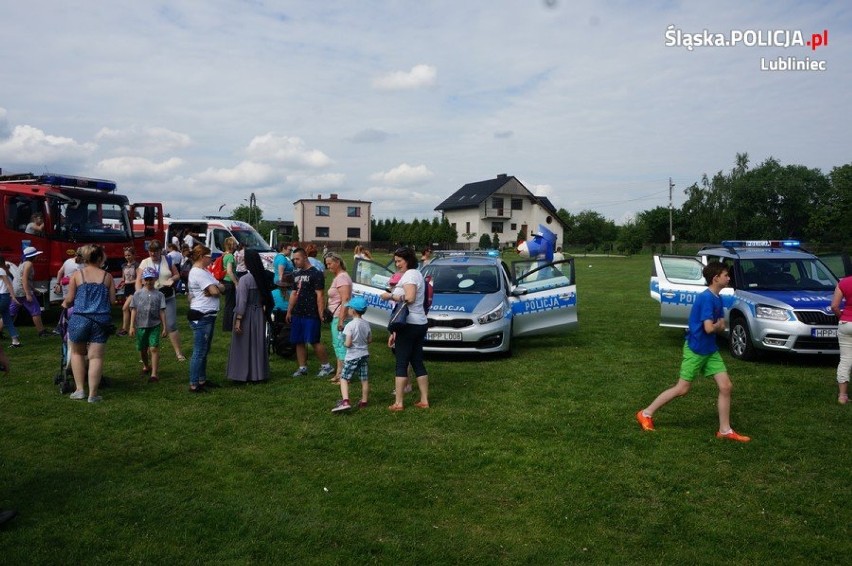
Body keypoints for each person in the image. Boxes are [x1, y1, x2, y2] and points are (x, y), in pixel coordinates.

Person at [636, 261, 750, 442]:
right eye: (726, 275)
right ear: (716, 278)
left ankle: (725, 430)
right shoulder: (706, 298)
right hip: (696, 349)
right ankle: (645, 413)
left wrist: (718, 325)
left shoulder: (717, 297)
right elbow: (709, 328)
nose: (729, 278)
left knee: (726, 386)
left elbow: (719, 323)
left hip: (710, 350)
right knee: (682, 389)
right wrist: (718, 326)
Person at [62, 244, 116, 403]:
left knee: (77, 354)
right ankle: (93, 394)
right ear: (100, 258)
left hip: (80, 319)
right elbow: (112, 300)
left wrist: (65, 303)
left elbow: (70, 299)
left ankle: (79, 390)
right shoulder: (107, 277)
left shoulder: (77, 276)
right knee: (96, 357)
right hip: (100, 320)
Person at [380, 247, 430, 411]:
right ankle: (424, 400)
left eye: (399, 261)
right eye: (395, 261)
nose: (397, 264)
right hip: (420, 323)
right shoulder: (417, 274)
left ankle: (399, 402)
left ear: (407, 260)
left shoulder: (409, 275)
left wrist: (390, 296)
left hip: (409, 324)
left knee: (401, 363)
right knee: (417, 362)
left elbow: (409, 297)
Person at [226, 250, 273, 383]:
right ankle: (258, 373)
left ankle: (241, 374)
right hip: (259, 314)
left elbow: (242, 301)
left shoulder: (245, 280)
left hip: (246, 314)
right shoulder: (263, 277)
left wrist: (238, 319)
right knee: (257, 344)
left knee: (243, 345)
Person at [286, 247, 334, 377]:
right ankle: (302, 368)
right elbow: (294, 294)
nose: (295, 261)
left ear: (305, 257)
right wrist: (289, 311)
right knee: (299, 340)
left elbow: (320, 295)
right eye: (294, 259)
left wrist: (320, 313)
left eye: (298, 259)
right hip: (298, 312)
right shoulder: (296, 274)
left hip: (311, 312)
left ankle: (326, 366)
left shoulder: (316, 274)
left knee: (314, 340)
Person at [136, 240, 186, 362]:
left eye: (155, 252)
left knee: (171, 325)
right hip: (150, 298)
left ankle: (179, 353)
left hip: (167, 296)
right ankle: (146, 353)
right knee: (149, 325)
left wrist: (172, 280)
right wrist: (139, 295)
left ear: (160, 251)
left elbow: (177, 275)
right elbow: (138, 280)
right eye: (150, 252)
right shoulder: (144, 262)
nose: (153, 254)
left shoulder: (168, 260)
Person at [187, 245, 224, 392]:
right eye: (209, 256)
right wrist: (216, 288)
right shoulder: (198, 273)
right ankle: (194, 383)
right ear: (203, 257)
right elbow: (216, 290)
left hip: (208, 314)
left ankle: (201, 379)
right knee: (199, 351)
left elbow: (220, 287)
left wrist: (216, 288)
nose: (211, 259)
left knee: (204, 350)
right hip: (202, 315)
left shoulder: (204, 271)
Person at [331, 296, 372, 412]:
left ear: (353, 311)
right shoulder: (366, 324)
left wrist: (344, 343)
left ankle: (345, 401)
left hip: (352, 356)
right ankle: (364, 401)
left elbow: (348, 343)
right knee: (364, 379)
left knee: (344, 378)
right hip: (364, 354)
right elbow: (369, 340)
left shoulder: (349, 325)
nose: (348, 310)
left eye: (349, 308)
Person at [129, 267, 167, 382]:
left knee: (154, 348)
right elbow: (134, 309)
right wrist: (131, 326)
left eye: (151, 279)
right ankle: (146, 365)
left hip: (154, 325)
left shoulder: (159, 295)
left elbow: (162, 311)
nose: (149, 281)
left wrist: (164, 327)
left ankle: (154, 374)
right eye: (146, 279)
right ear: (143, 280)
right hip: (141, 325)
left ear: (155, 279)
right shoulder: (138, 294)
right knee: (143, 349)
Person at [9, 246, 50, 338]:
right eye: (36, 255)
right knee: (35, 310)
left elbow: (24, 279)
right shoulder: (29, 264)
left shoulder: (23, 263)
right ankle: (41, 332)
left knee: (11, 313)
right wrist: (28, 293)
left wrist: (34, 290)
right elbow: (24, 279)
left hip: (16, 290)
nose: (37, 257)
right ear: (33, 256)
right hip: (22, 290)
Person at [324, 252, 352, 383]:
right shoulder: (340, 277)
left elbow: (345, 299)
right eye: (326, 264)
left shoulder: (341, 278)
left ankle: (344, 375)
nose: (328, 266)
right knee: (338, 344)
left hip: (339, 316)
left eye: (330, 263)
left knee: (341, 345)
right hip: (337, 316)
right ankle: (339, 372)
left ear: (338, 262)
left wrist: (341, 319)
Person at [830, 273, 852, 404]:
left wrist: (842, 316)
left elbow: (834, 306)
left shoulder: (843, 282)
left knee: (845, 360)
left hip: (845, 323)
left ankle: (842, 396)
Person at [116, 247, 139, 336]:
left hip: (134, 288)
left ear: (133, 255)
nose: (127, 257)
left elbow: (138, 279)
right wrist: (121, 284)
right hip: (127, 289)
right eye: (126, 255)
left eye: (129, 255)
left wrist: (127, 282)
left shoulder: (136, 265)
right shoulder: (124, 266)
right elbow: (124, 278)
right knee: (130, 309)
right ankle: (135, 327)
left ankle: (125, 328)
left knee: (124, 308)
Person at [0, 256, 21, 347]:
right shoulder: (4, 270)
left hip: (2, 296)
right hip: (5, 297)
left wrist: (13, 296)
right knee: (7, 319)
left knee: (7, 319)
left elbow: (8, 285)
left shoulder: (1, 270)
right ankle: (15, 341)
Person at [221, 237, 239, 332]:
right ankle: (228, 325)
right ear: (232, 245)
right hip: (229, 282)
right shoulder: (230, 257)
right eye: (235, 244)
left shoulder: (225, 255)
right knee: (230, 305)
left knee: (228, 304)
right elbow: (229, 271)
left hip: (225, 281)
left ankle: (227, 325)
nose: (236, 246)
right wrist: (236, 282)